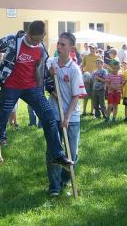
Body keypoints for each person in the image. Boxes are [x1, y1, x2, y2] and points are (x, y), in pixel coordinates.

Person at [0, 20, 73, 168]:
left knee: (48, 116)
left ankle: (58, 155)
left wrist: (51, 87)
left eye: (39, 39)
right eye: (33, 39)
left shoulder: (41, 47)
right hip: (11, 86)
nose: (35, 42)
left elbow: (43, 70)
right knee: (1, 117)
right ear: (28, 33)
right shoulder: (13, 40)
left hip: (32, 87)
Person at [45, 32, 86, 197]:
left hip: (72, 117)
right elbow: (45, 78)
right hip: (53, 115)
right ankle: (54, 186)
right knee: (52, 152)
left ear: (71, 48)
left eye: (63, 44)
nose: (59, 47)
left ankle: (64, 180)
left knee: (71, 153)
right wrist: (50, 74)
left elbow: (76, 96)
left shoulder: (75, 69)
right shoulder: (52, 63)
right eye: (58, 44)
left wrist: (67, 117)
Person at [81, 43, 101, 116]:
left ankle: (92, 111)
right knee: (85, 95)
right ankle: (84, 111)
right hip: (87, 78)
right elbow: (82, 66)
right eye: (90, 48)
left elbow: (101, 67)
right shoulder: (86, 56)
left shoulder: (99, 56)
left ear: (96, 49)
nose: (92, 49)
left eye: (93, 48)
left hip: (95, 78)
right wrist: (82, 73)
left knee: (93, 95)